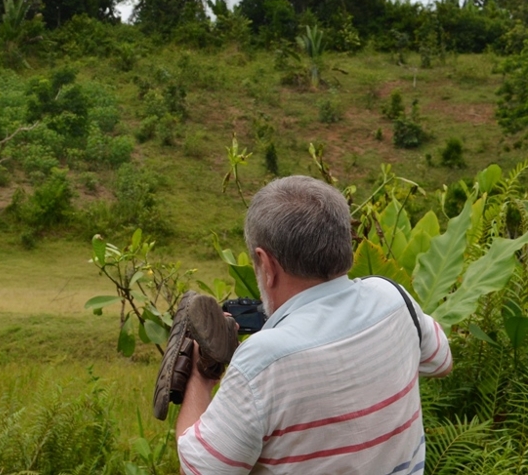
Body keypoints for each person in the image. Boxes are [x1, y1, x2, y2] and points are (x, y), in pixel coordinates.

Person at [176, 175, 452, 474]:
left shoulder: (262, 362)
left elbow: (198, 471)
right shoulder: (394, 297)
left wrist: (199, 378)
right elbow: (441, 362)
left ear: (266, 265)